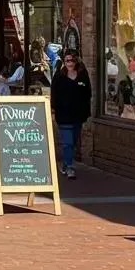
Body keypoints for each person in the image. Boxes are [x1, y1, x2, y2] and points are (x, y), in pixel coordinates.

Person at [50, 50, 92, 179]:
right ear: (64, 62)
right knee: (67, 142)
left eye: (72, 60)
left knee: (73, 141)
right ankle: (69, 166)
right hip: (64, 114)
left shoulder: (82, 75)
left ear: (76, 61)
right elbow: (54, 93)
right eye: (67, 60)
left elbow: (88, 93)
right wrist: (53, 108)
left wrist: (86, 110)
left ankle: (64, 163)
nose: (70, 63)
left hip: (78, 114)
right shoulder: (59, 76)